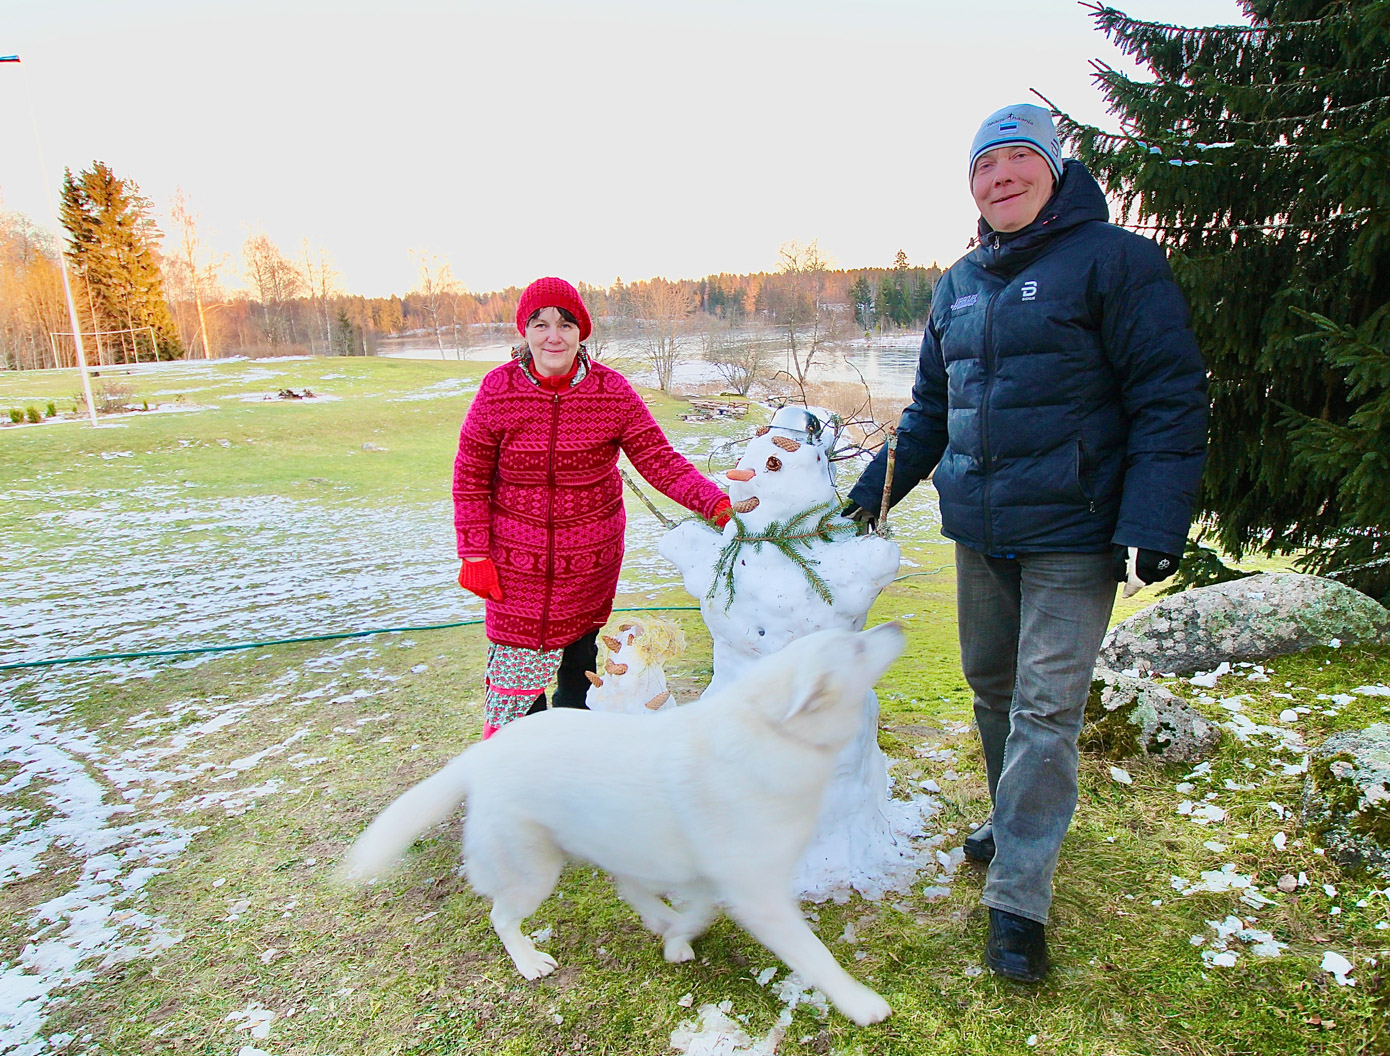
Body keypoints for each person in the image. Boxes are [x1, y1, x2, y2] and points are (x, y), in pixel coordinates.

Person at [844, 104, 1207, 981]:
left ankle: (1018, 898)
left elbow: (1169, 395)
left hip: (1074, 532)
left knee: (1048, 710)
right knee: (993, 689)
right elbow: (932, 411)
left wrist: (1155, 522)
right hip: (981, 527)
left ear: (1053, 169)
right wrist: (873, 493)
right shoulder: (959, 282)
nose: (999, 177)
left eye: (1016, 159)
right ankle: (1016, 821)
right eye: (983, 166)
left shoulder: (1116, 261)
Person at [453, 277, 731, 740]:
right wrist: (474, 552)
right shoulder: (498, 390)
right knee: (516, 684)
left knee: (577, 670)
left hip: (588, 562)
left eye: (565, 324)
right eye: (540, 324)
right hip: (513, 563)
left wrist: (717, 505)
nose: (553, 336)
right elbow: (470, 476)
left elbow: (659, 460)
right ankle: (519, 767)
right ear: (525, 332)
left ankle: (575, 761)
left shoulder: (611, 392)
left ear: (581, 331)